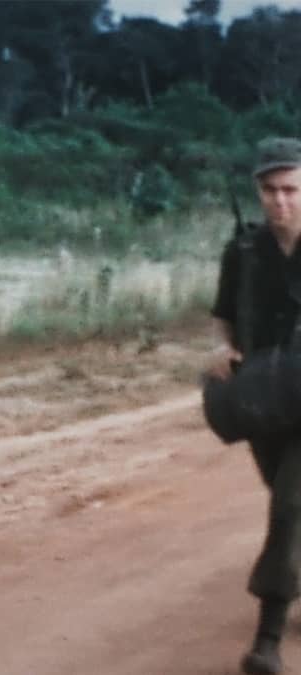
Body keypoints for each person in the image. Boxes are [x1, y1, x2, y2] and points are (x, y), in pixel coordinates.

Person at [208, 136, 301, 675]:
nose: (280, 201)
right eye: (270, 190)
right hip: (263, 397)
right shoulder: (243, 251)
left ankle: (267, 640)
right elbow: (221, 315)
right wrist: (220, 348)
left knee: (289, 505)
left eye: (290, 190)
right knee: (287, 499)